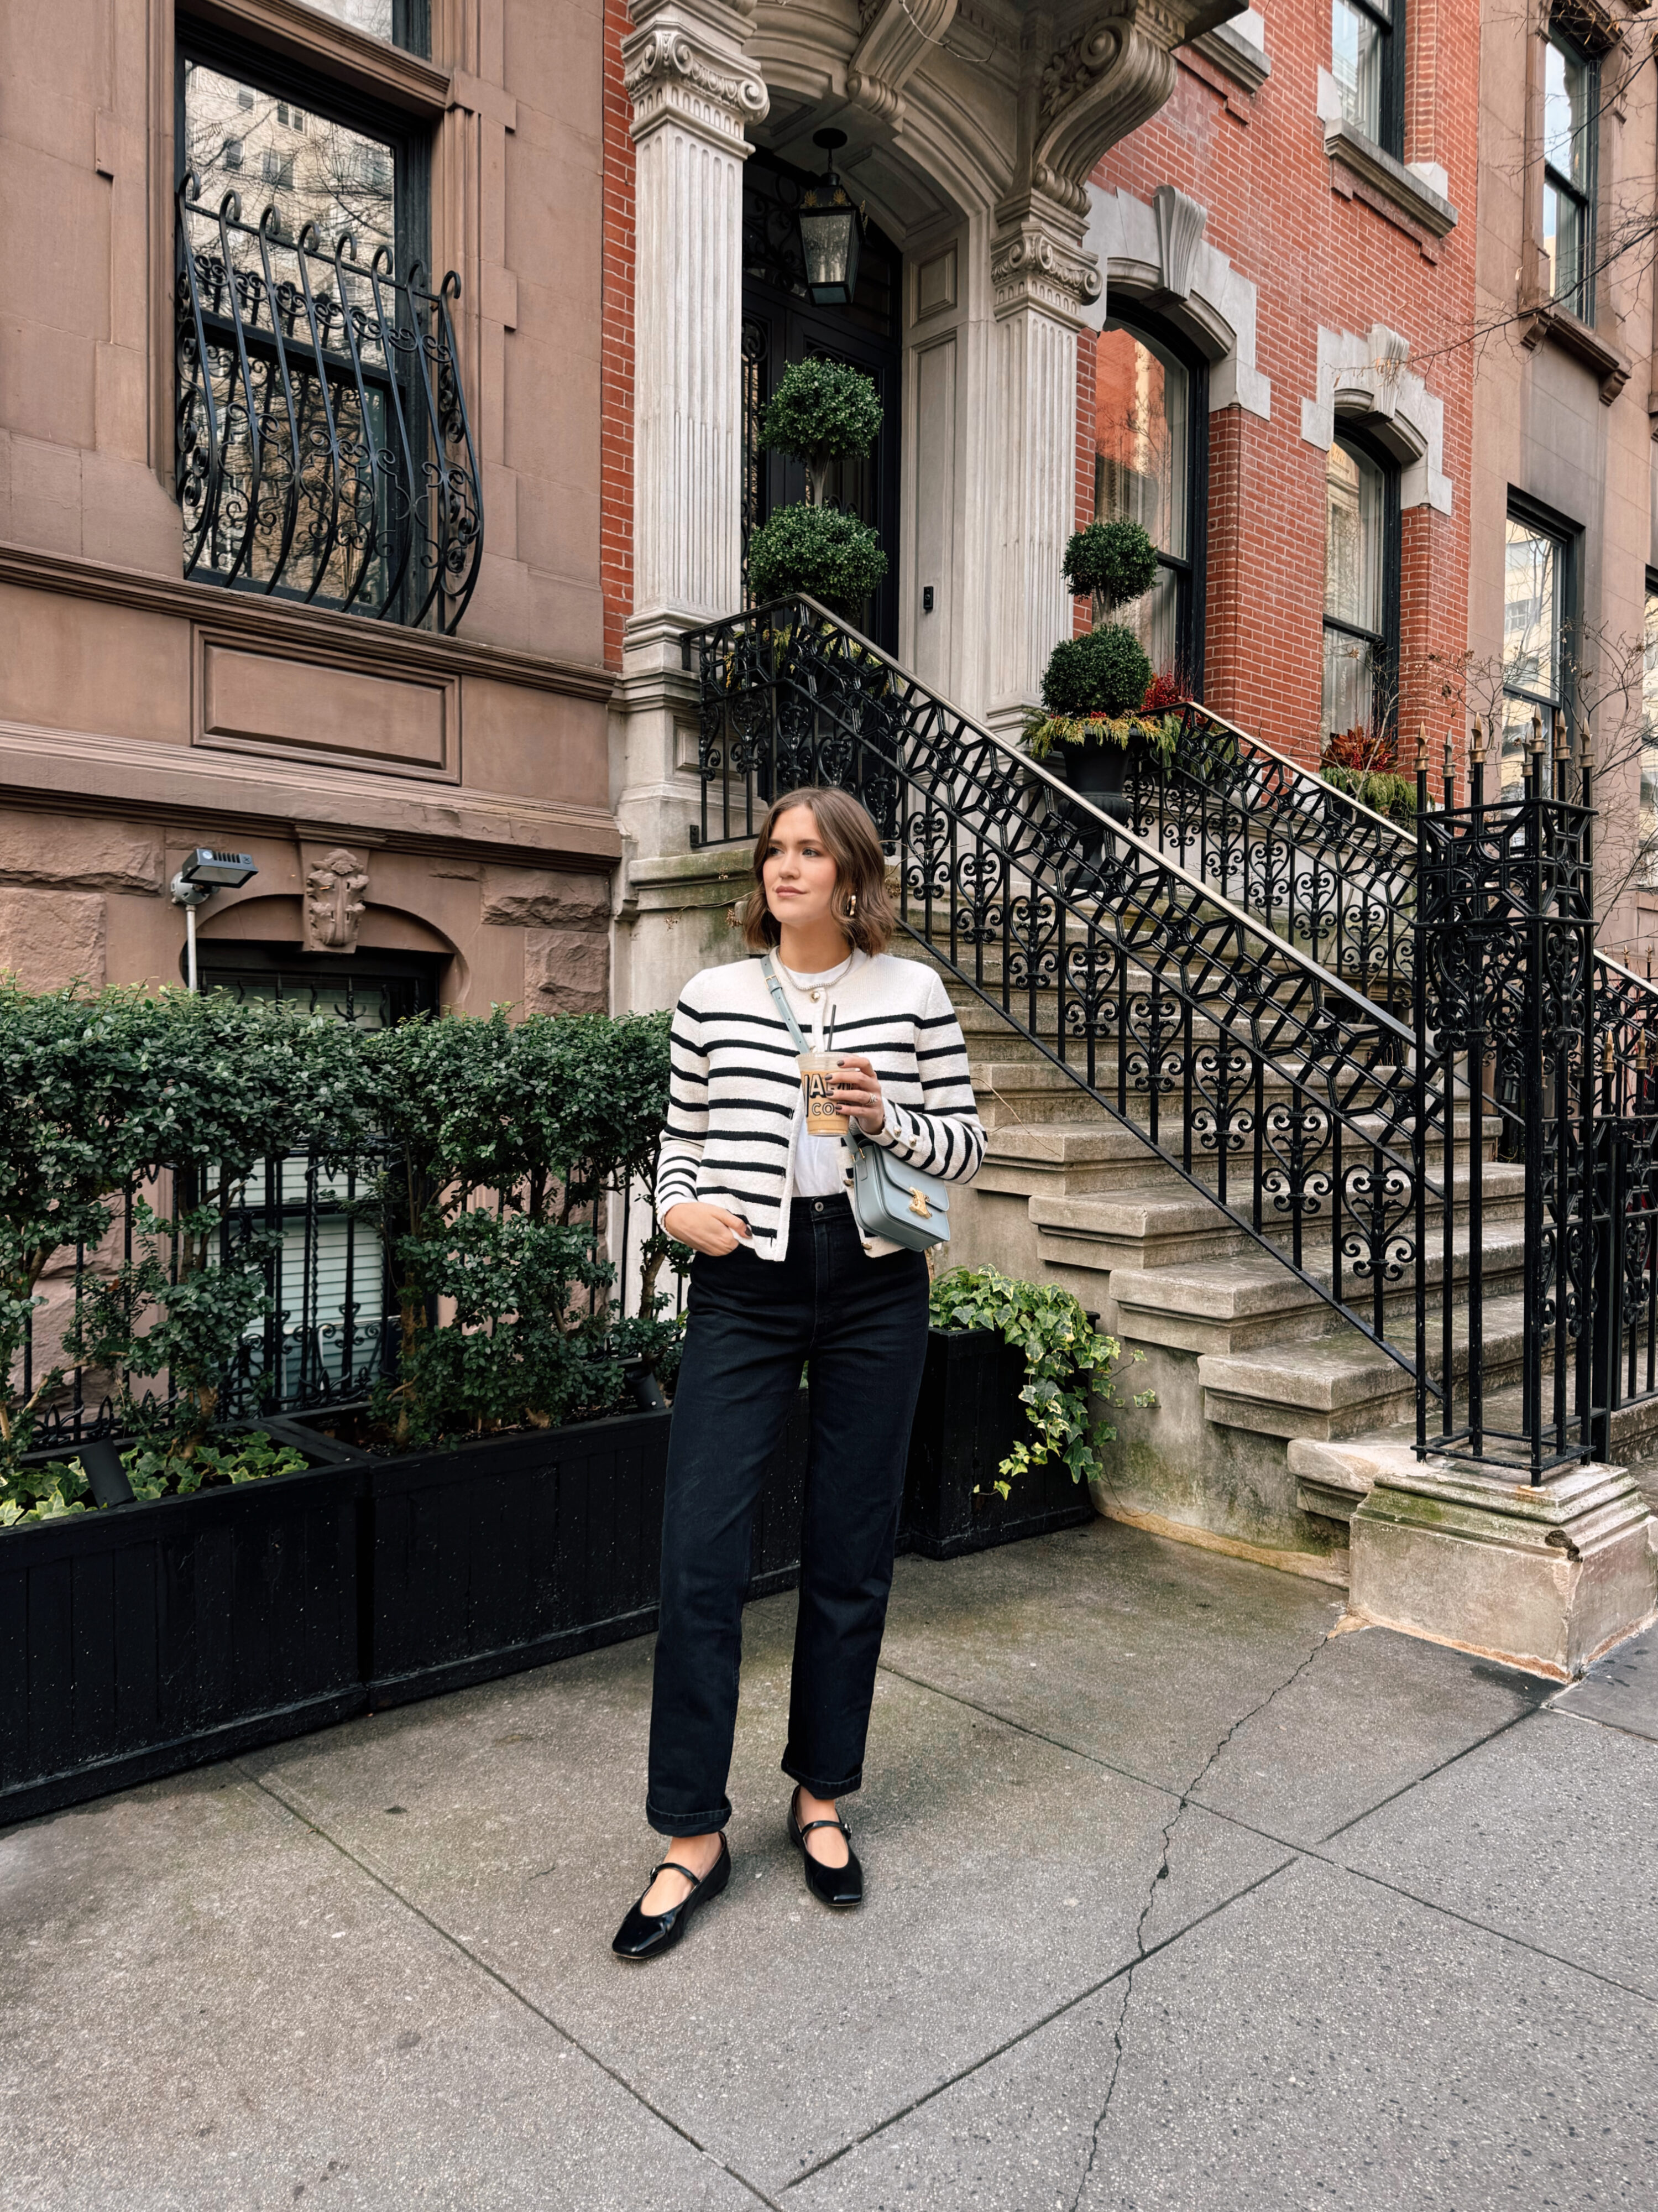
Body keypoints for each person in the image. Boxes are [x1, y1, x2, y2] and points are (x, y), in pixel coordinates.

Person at [611, 785, 986, 1960]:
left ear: (852, 874)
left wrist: (888, 1119)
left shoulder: (911, 992)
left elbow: (966, 1143)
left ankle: (821, 1794)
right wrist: (682, 1213)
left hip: (873, 1280)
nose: (785, 867)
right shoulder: (714, 995)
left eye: (810, 852)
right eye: (775, 849)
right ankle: (690, 1833)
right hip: (746, 1282)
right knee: (700, 1550)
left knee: (850, 1543)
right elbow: (677, 1135)